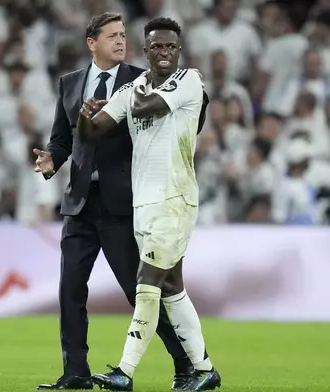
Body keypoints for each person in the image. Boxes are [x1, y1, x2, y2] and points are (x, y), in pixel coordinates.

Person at [34, 12, 208, 391]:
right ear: (91, 42)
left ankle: (185, 364)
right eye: (111, 35)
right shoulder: (70, 84)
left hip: (126, 205)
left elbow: (187, 113)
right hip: (79, 202)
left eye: (123, 35)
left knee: (140, 290)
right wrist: (52, 158)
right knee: (70, 291)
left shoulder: (142, 79)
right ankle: (76, 374)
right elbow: (65, 137)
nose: (120, 41)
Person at [77, 17, 221, 391]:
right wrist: (84, 116)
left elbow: (144, 107)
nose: (164, 52)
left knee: (148, 283)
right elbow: (96, 129)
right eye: (157, 46)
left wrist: (127, 95)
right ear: (147, 49)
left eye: (170, 46)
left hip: (174, 198)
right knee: (172, 288)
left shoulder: (189, 80)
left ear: (179, 50)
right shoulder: (134, 86)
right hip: (144, 203)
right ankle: (204, 370)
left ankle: (124, 371)